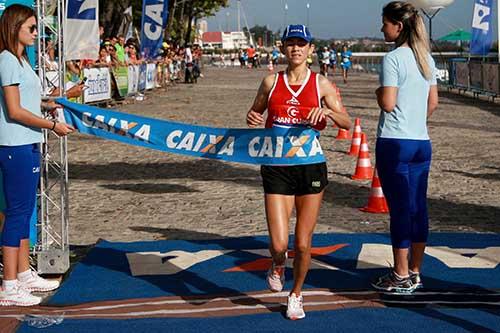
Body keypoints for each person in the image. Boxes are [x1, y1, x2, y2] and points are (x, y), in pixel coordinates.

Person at [246, 24, 350, 320]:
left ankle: (296, 294)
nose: (296, 48)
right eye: (290, 43)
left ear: (310, 50)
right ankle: (277, 264)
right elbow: (255, 112)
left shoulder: (322, 84)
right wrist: (253, 116)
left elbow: (346, 122)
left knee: (303, 243)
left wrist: (328, 112)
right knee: (280, 245)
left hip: (310, 168)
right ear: (282, 49)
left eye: (301, 43)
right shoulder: (270, 82)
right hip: (277, 167)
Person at [0, 4, 74, 306]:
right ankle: (9, 284)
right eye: (31, 28)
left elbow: (29, 101)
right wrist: (52, 124)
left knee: (25, 210)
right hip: (15, 144)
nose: (36, 33)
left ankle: (22, 273)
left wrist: (55, 102)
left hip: (29, 142)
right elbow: (15, 111)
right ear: (14, 27)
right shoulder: (6, 60)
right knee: (17, 213)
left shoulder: (21, 60)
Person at [371, 1, 438, 293]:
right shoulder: (427, 57)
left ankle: (399, 275)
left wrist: (378, 92)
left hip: (395, 143)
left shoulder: (393, 58)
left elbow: (387, 102)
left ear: (398, 26)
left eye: (384, 22)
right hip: (421, 142)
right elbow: (432, 103)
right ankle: (415, 271)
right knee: (417, 208)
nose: (381, 27)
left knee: (399, 209)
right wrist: (414, 120)